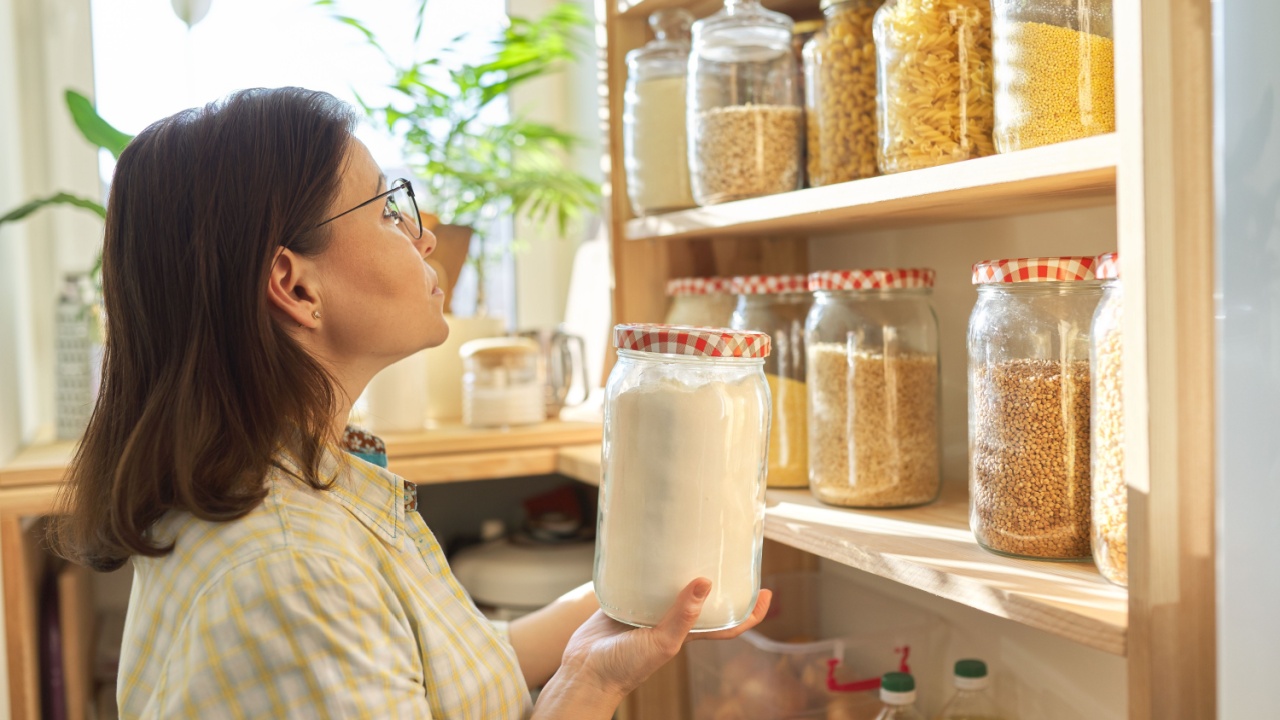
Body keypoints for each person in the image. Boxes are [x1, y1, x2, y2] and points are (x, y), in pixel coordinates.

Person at [49, 87, 771, 718]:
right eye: (388, 211)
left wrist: (642, 596)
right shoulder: (289, 571)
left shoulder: (305, 486)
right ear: (294, 286)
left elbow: (453, 677)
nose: (425, 236)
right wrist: (586, 686)